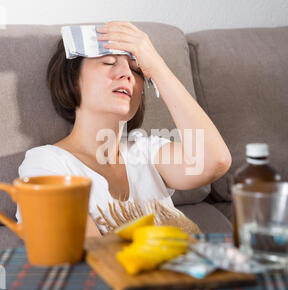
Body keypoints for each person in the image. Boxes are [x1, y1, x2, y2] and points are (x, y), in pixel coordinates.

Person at [16, 21, 232, 237]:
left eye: (137, 70)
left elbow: (215, 161)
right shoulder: (47, 164)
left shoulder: (147, 152)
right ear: (72, 78)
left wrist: (157, 67)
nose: (127, 74)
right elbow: (93, 255)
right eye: (109, 62)